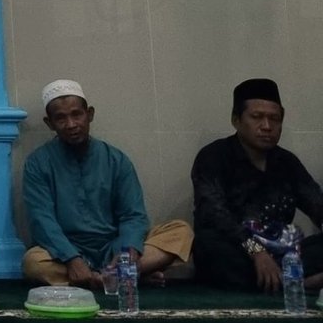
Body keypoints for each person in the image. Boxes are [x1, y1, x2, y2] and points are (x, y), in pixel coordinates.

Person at [21, 80, 192, 288]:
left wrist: (126, 251)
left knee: (180, 231)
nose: (71, 124)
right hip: (65, 252)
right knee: (33, 263)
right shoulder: (38, 163)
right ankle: (127, 276)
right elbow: (42, 220)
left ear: (90, 114)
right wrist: (72, 258)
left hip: (114, 247)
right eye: (61, 118)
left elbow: (133, 215)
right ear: (50, 123)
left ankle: (108, 275)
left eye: (76, 114)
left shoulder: (116, 159)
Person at [191, 77, 323, 292]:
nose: (267, 126)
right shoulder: (213, 157)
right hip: (236, 250)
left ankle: (280, 281)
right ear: (236, 120)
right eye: (257, 117)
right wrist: (256, 251)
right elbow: (214, 216)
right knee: (207, 245)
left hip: (282, 250)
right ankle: (298, 281)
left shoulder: (287, 162)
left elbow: (316, 202)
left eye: (274, 119)